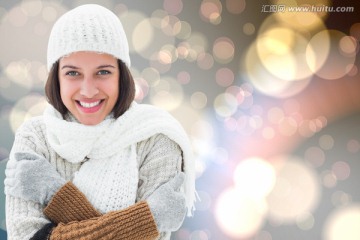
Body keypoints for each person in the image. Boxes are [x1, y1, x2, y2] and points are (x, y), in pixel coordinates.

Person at [4, 4, 196, 240]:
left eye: (103, 72)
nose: (88, 90)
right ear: (56, 77)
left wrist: (52, 192)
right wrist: (149, 218)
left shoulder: (156, 138)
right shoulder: (35, 137)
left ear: (121, 75)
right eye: (73, 73)